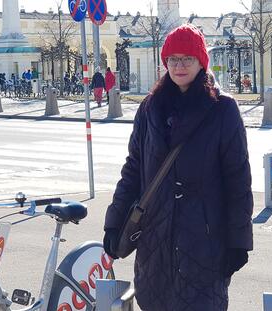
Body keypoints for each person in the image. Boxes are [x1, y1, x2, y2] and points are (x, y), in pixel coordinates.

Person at [102, 24, 253, 311]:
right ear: (165, 63)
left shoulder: (222, 109)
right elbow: (134, 169)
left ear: (201, 62)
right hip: (155, 242)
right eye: (173, 59)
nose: (179, 66)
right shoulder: (150, 108)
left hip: (204, 244)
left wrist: (239, 241)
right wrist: (114, 221)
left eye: (187, 59)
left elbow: (238, 180)